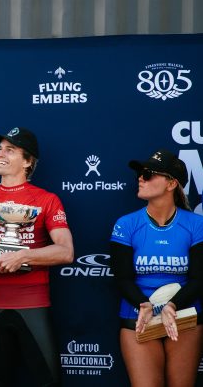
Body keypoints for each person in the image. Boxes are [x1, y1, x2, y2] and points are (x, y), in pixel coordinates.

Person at [0, 127, 74, 387]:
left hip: (33, 303)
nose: (0, 155)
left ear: (28, 161)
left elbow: (66, 251)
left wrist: (23, 256)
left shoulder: (47, 200)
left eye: (10, 150)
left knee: (49, 382)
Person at [110, 149, 203, 386]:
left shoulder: (195, 224)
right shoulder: (126, 223)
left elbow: (199, 279)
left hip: (183, 314)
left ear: (171, 183)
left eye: (148, 174)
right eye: (140, 174)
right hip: (138, 314)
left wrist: (172, 306)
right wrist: (145, 305)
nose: (140, 177)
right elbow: (122, 279)